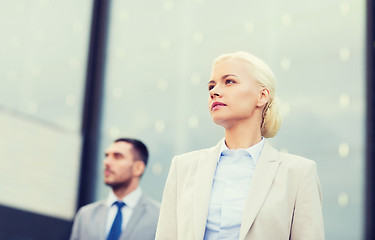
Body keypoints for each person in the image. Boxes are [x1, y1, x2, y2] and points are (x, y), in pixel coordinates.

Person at [156, 51, 324, 240]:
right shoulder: (183, 168)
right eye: (211, 86)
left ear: (262, 96)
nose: (214, 91)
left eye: (229, 81)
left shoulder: (299, 173)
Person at [70, 138, 160, 240]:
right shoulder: (85, 215)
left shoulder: (159, 217)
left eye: (117, 156)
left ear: (138, 168)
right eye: (107, 156)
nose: (106, 162)